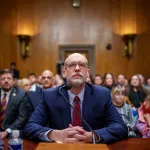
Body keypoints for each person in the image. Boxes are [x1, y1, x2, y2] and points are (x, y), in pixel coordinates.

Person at [24, 53, 128, 143]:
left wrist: (92, 136)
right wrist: (56, 134)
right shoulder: (50, 96)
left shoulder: (102, 95)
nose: (77, 68)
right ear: (64, 72)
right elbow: (30, 127)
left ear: (87, 73)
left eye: (81, 65)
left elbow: (120, 127)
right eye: (72, 65)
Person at [0, 69, 31, 139]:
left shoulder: (21, 94)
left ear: (13, 81)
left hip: (13, 129)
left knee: (14, 136)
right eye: (3, 79)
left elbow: (22, 118)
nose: (6, 81)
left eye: (9, 78)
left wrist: (7, 131)